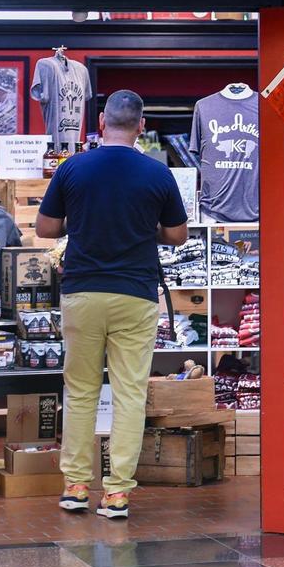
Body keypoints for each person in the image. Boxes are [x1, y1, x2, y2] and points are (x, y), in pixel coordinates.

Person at [36, 89, 188, 519]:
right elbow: (178, 235)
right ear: (141, 126)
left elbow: (46, 228)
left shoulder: (74, 168)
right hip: (136, 295)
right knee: (129, 395)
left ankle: (76, 486)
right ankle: (118, 493)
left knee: (81, 392)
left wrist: (81, 222)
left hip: (83, 292)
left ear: (101, 120)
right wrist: (146, 230)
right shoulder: (158, 173)